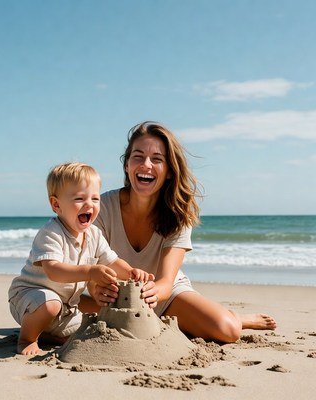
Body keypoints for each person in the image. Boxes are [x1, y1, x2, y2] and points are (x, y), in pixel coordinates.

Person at [79, 121, 277, 343]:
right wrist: (95, 288)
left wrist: (151, 294)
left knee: (228, 330)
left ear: (170, 171)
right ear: (126, 165)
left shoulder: (178, 214)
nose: (146, 165)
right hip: (114, 298)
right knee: (50, 309)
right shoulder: (100, 207)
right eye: (138, 156)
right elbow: (88, 263)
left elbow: (165, 282)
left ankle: (237, 317)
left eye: (157, 159)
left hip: (164, 297)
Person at [8, 162, 154, 355]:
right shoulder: (51, 233)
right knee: (50, 305)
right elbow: (54, 271)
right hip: (32, 298)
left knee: (88, 331)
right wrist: (90, 272)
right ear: (56, 205)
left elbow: (111, 261)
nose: (89, 205)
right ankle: (27, 338)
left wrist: (131, 272)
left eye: (95, 199)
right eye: (79, 198)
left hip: (67, 307)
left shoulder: (94, 234)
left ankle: (48, 334)